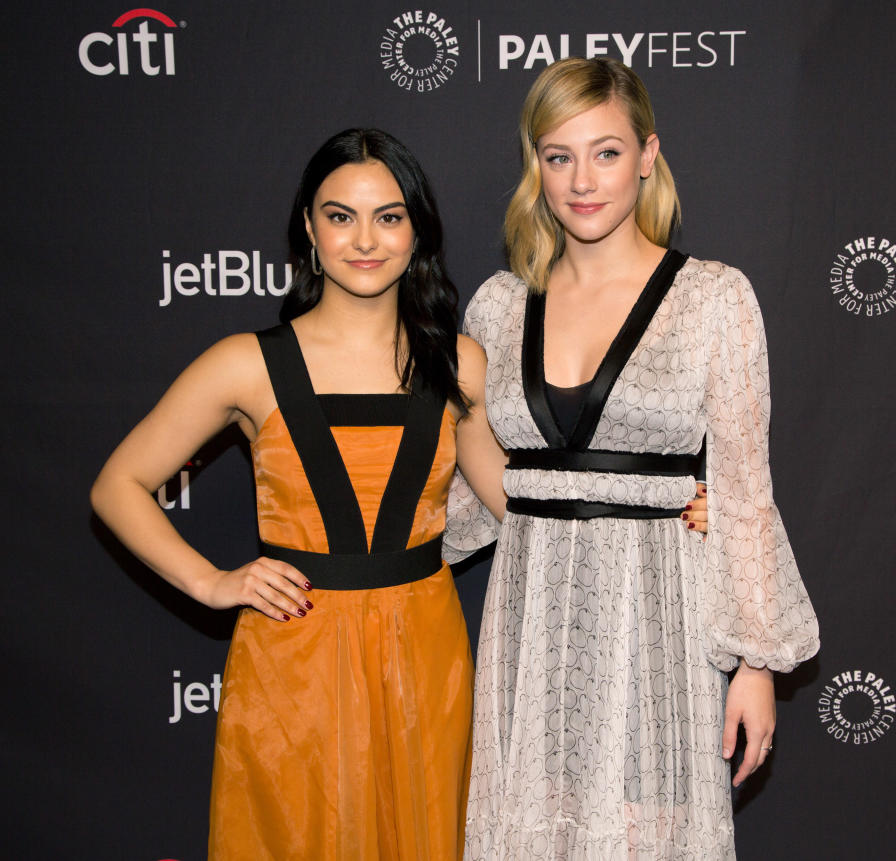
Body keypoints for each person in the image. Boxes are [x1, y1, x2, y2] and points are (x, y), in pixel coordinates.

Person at [90, 128, 506, 860]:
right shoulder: (245, 364)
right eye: (340, 215)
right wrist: (212, 580)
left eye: (389, 215)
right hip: (295, 658)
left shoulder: (459, 362)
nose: (365, 239)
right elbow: (117, 485)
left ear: (418, 232)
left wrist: (666, 508)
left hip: (427, 658)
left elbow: (516, 501)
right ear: (309, 231)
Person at [462, 57, 820, 859]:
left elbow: (744, 487)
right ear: (537, 167)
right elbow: (474, 448)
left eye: (607, 152)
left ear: (648, 155)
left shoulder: (713, 297)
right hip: (533, 621)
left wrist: (756, 664)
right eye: (558, 156)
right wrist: (540, 523)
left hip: (662, 615)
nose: (582, 180)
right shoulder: (498, 303)